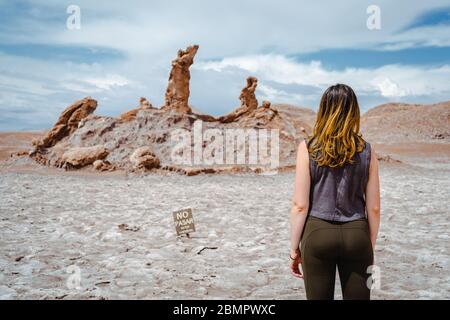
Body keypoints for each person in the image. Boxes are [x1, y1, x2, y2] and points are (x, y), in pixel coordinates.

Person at [289, 84, 381, 300]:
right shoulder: (367, 151)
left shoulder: (308, 147)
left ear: (323, 110)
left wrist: (294, 248)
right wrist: (368, 246)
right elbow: (374, 208)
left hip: (317, 232)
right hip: (357, 233)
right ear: (354, 112)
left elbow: (300, 206)